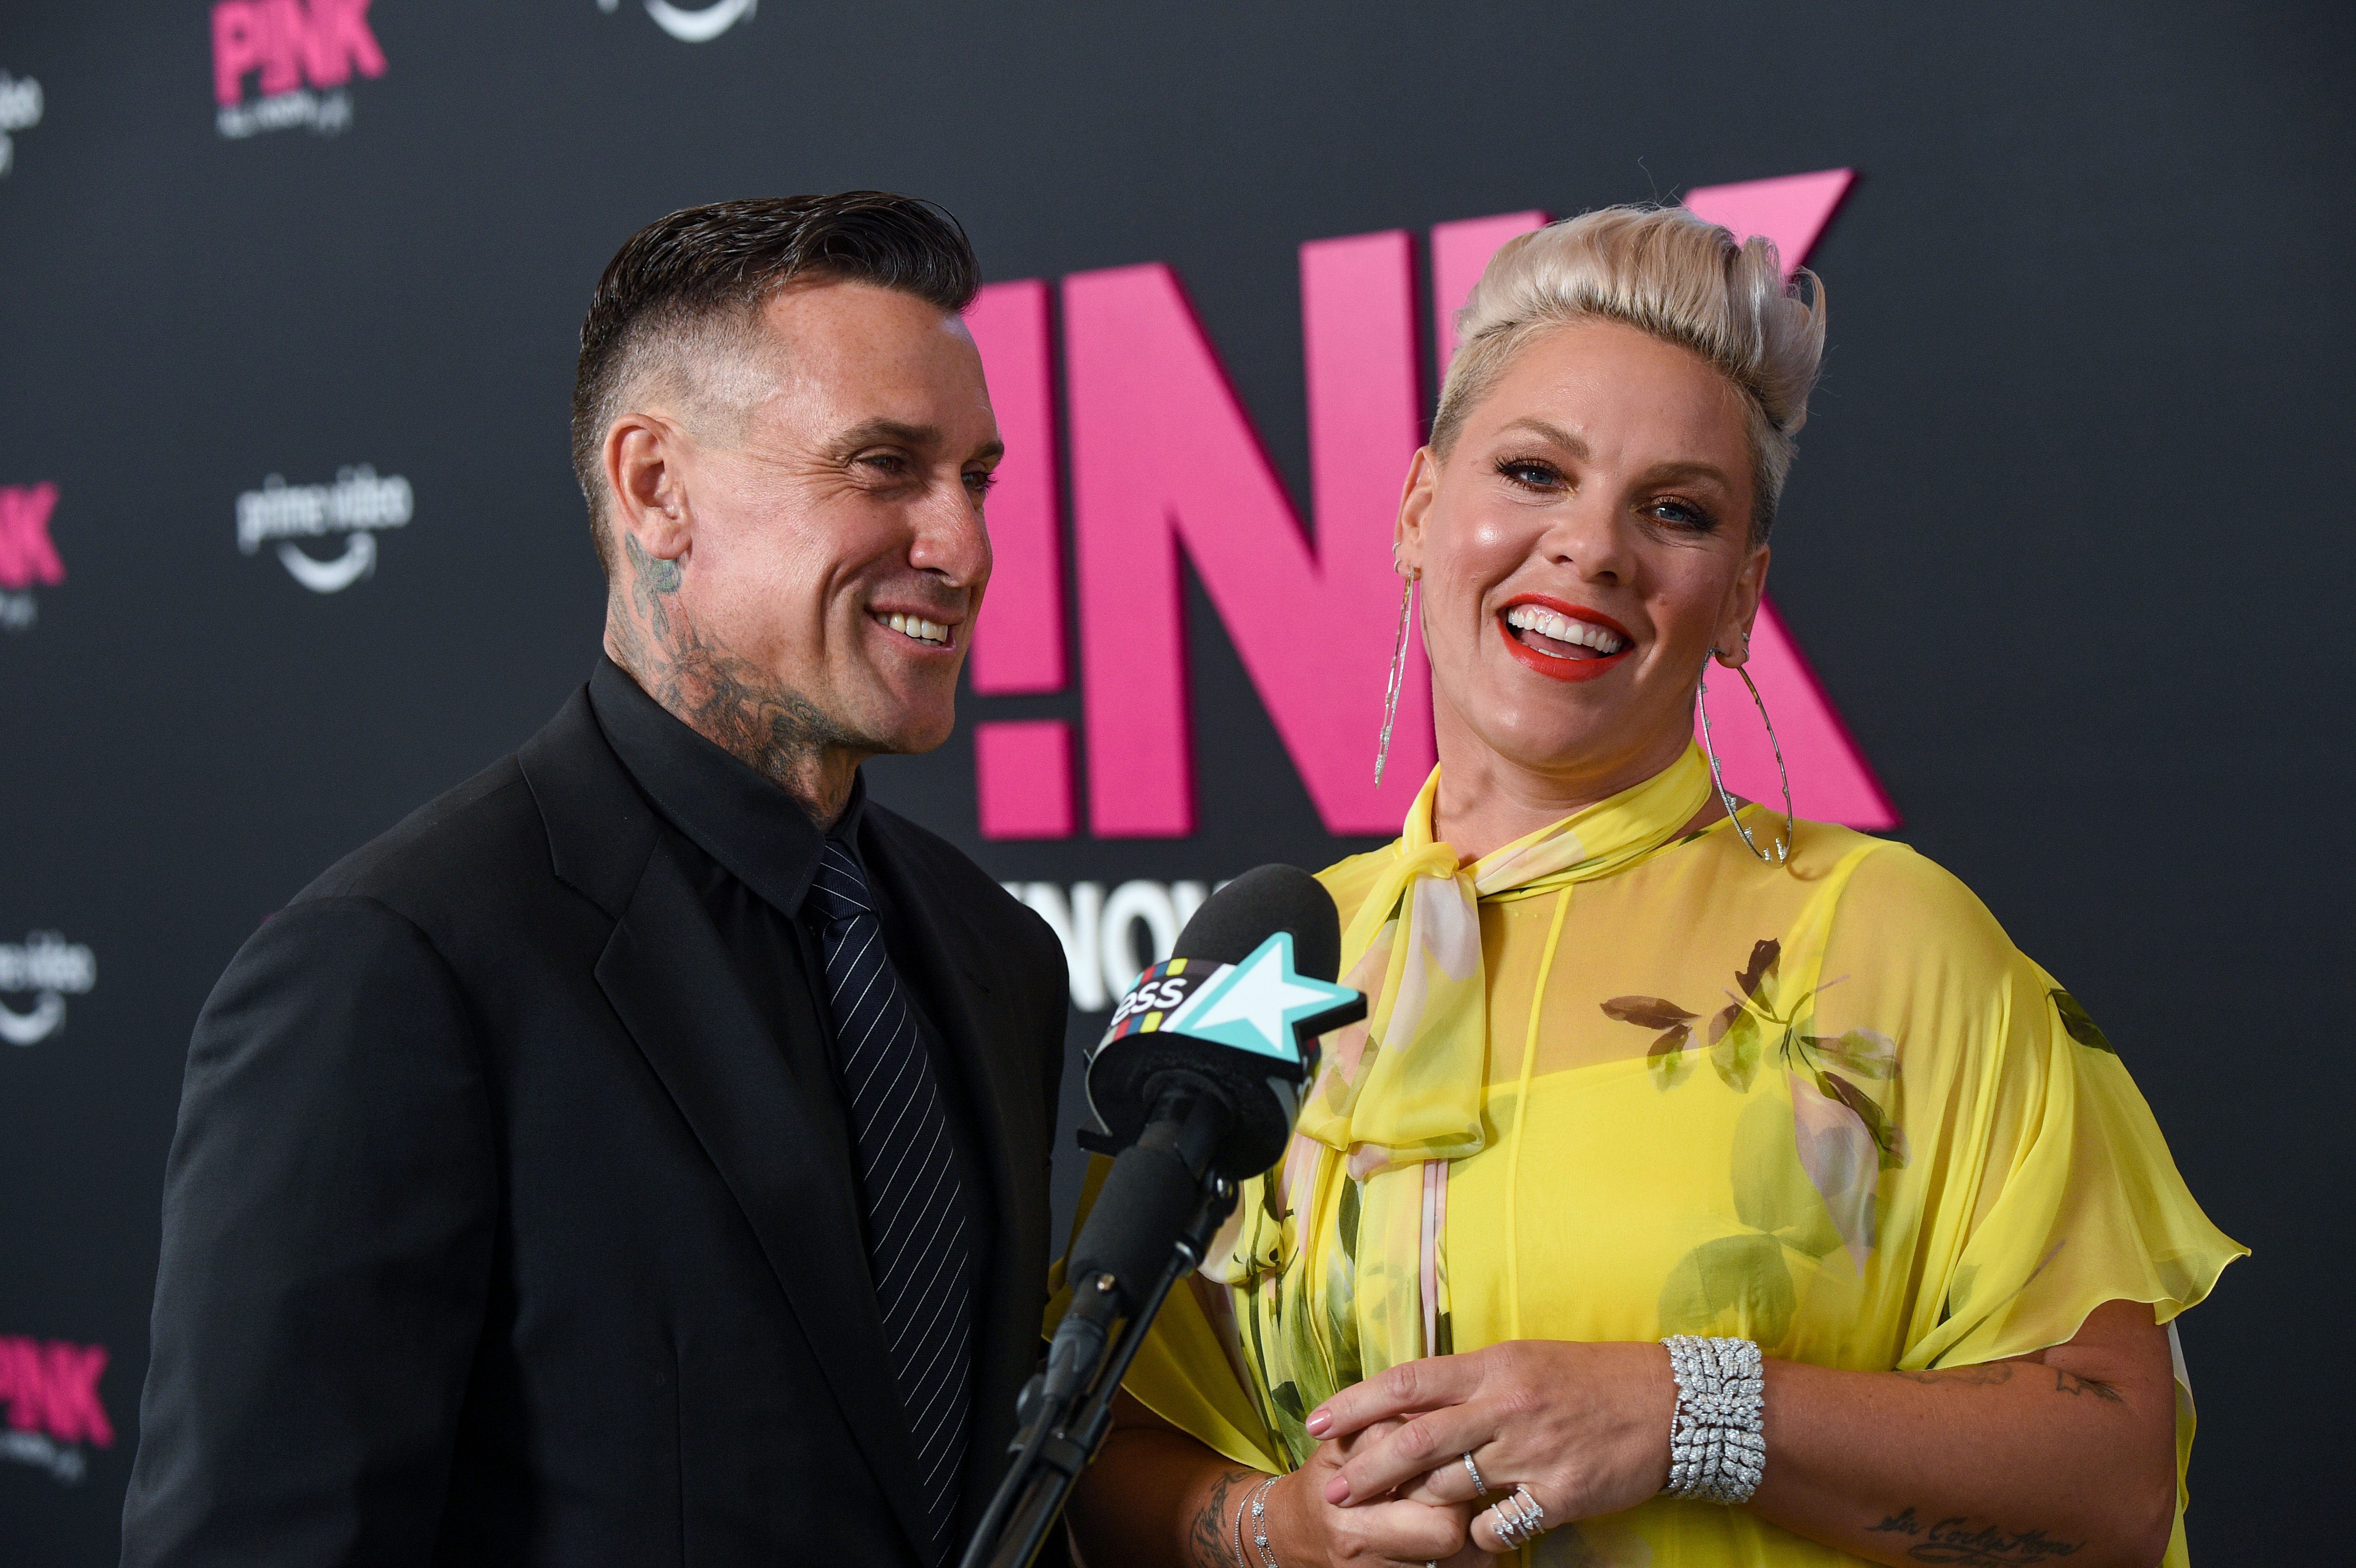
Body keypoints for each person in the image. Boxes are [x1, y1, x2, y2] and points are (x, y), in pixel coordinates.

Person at [1059, 206, 2242, 1568]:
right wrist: (1272, 1528)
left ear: (1739, 598)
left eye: (1673, 510)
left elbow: (2114, 1478)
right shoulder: (1279, 956)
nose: (1594, 549)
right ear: (1419, 510)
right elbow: (1101, 1444)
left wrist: (1691, 1412)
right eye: (1535, 472)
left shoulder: (1882, 941)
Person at [121, 193, 1069, 1568]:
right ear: (655, 490)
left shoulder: (1000, 955)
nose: (965, 547)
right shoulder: (397, 972)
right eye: (883, 467)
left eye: (976, 479)